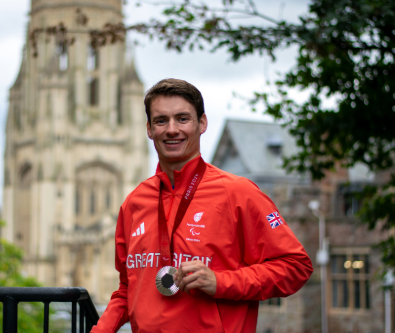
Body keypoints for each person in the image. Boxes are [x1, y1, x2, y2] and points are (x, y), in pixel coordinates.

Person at [91, 79, 313, 333]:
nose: (172, 129)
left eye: (183, 119)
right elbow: (128, 289)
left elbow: (296, 266)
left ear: (202, 123)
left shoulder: (238, 192)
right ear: (150, 130)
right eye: (161, 120)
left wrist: (221, 281)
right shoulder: (134, 203)